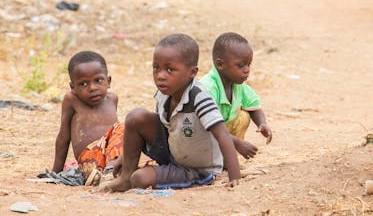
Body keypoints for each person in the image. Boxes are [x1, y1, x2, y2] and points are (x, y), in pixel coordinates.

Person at [104, 34, 241, 192]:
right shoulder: (163, 93)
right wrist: (126, 157)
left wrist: (234, 176)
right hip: (173, 152)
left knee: (140, 179)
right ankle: (125, 177)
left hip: (198, 169)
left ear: (192, 72)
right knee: (136, 116)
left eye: (170, 70)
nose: (160, 76)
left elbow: (223, 135)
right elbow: (161, 128)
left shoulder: (199, 97)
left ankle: (138, 178)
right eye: (156, 68)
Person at [52, 51, 123, 185]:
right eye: (83, 84)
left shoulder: (112, 99)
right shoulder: (72, 100)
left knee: (126, 128)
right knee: (122, 127)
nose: (92, 88)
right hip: (90, 162)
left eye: (98, 80)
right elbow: (63, 137)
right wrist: (56, 172)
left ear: (108, 81)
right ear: (73, 87)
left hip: (112, 158)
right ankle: (108, 174)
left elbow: (116, 139)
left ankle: (116, 172)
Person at [200, 32, 272, 161]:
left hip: (222, 132)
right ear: (221, 65)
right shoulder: (208, 88)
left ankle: (226, 156)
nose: (247, 70)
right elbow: (209, 127)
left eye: (249, 64)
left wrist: (262, 124)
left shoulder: (238, 84)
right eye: (241, 65)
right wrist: (237, 143)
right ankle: (219, 159)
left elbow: (254, 106)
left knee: (244, 116)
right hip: (203, 134)